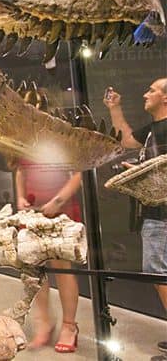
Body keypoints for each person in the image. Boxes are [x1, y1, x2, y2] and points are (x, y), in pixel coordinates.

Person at [104, 79, 167, 361]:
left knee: (159, 273)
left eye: (153, 90)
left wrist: (142, 172)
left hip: (162, 215)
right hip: (155, 214)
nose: (146, 93)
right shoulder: (154, 130)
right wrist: (114, 108)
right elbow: (127, 140)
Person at [14, 158, 82, 353]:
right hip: (32, 211)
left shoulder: (62, 136)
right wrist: (20, 197)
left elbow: (78, 173)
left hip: (61, 210)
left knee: (62, 269)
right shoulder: (27, 138)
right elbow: (20, 170)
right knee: (34, 269)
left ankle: (69, 326)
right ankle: (44, 322)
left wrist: (58, 201)